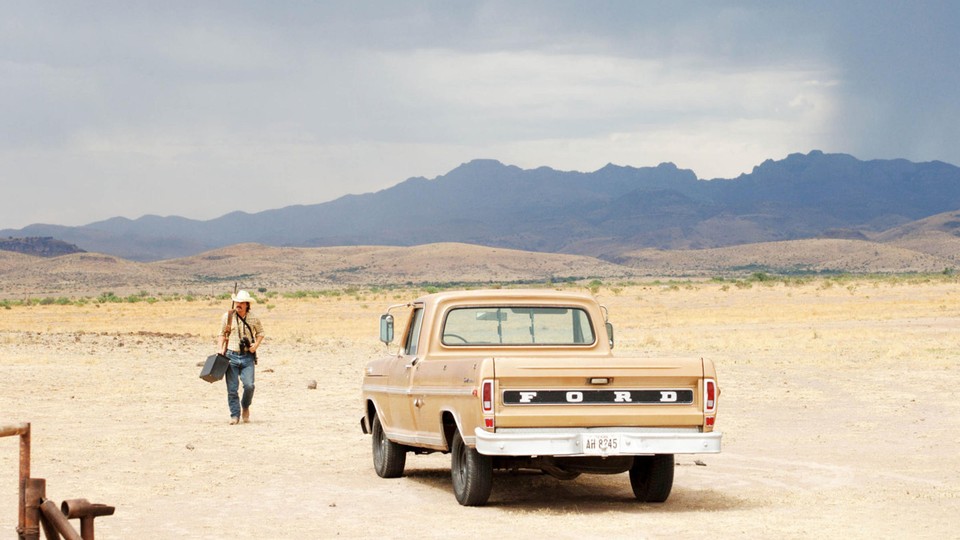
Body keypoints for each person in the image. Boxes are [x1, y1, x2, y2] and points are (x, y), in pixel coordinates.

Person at [217, 290, 265, 425]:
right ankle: (235, 415)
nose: (238, 304)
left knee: (249, 386)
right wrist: (220, 349)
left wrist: (255, 345)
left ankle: (245, 406)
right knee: (232, 389)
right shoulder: (227, 316)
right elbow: (221, 334)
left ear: (247, 304)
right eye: (237, 302)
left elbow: (261, 332)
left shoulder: (254, 318)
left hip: (247, 357)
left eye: (241, 302)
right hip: (231, 355)